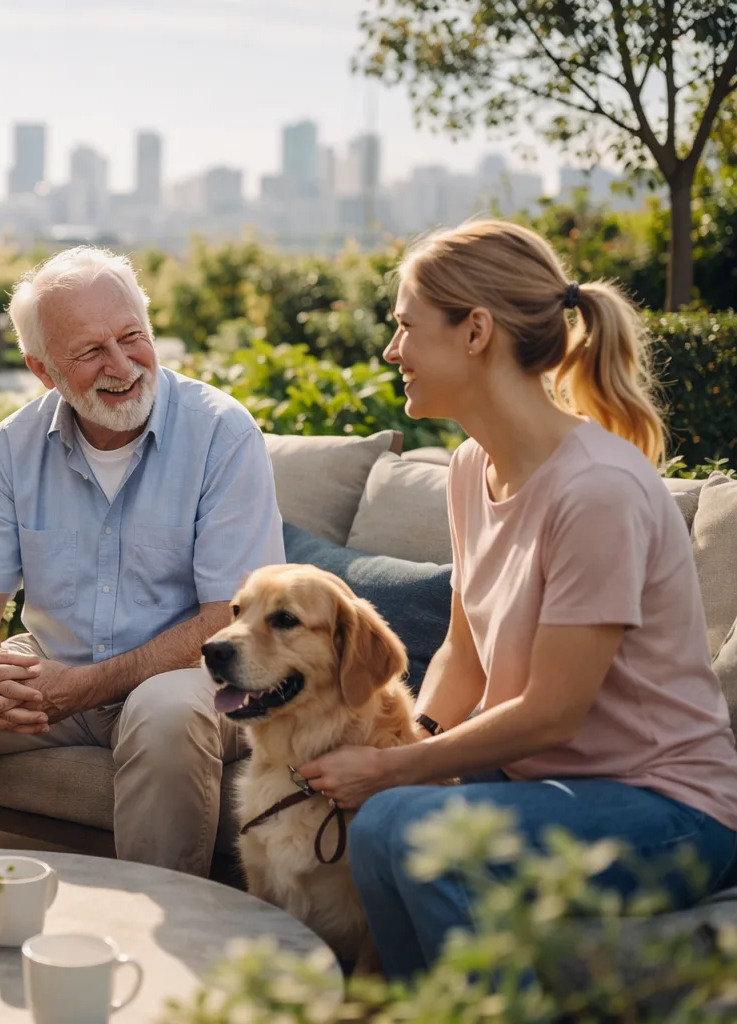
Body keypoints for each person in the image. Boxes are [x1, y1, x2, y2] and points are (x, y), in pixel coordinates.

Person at [297, 219, 737, 980]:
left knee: (400, 820)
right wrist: (409, 747)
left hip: (672, 811)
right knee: (384, 821)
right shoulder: (473, 467)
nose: (390, 351)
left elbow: (552, 710)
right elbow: (464, 655)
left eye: (404, 326)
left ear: (475, 332)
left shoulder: (596, 490)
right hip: (545, 789)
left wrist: (399, 772)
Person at [0, 246, 285, 876]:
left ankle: (164, 931)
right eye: (90, 352)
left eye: (132, 337)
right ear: (43, 368)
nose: (122, 366)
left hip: (187, 678)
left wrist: (84, 687)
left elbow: (229, 617)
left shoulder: (222, 433)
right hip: (54, 674)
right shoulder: (14, 444)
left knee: (162, 711)